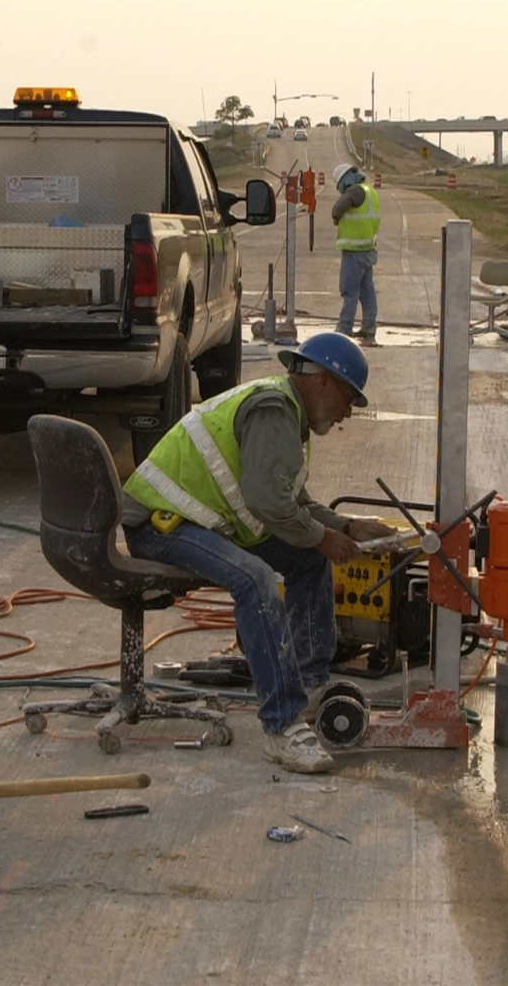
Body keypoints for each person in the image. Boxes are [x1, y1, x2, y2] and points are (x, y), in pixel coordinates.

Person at [122, 332, 395, 774]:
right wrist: (325, 538)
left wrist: (345, 526)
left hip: (194, 522)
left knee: (307, 558)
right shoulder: (274, 410)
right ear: (323, 380)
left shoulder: (285, 413)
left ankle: (307, 685)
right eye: (348, 399)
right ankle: (282, 725)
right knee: (254, 580)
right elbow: (269, 503)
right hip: (158, 525)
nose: (346, 414)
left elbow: (292, 504)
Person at [329, 164, 380, 346]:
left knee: (349, 291)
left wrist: (336, 217)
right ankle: (368, 328)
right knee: (367, 292)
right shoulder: (369, 191)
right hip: (367, 249)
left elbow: (338, 207)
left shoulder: (355, 191)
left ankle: (344, 328)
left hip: (354, 252)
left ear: (345, 179)